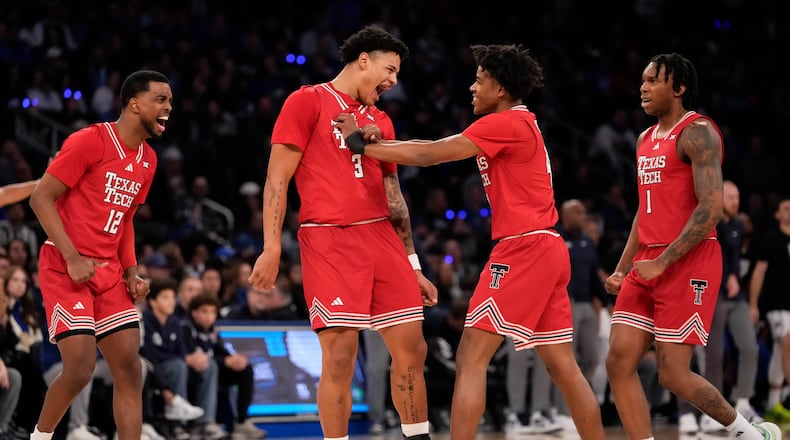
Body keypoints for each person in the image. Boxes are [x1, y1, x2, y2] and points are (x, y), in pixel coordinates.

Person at [333, 43, 605, 440]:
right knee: (563, 364)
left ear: (502, 88)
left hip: (524, 247)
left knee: (471, 356)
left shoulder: (506, 123)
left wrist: (364, 146)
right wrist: (379, 144)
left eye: (480, 81)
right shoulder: (522, 123)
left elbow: (431, 154)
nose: (472, 88)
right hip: (547, 246)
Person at [247, 25, 437, 440]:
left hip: (383, 238)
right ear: (363, 60)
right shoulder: (307, 101)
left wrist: (414, 265)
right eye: (390, 69)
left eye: (398, 74)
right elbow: (277, 180)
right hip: (329, 238)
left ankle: (417, 435)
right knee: (340, 357)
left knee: (413, 349)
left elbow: (396, 200)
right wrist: (271, 247)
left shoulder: (381, 119)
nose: (394, 81)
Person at [601, 52, 780, 439]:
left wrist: (663, 262)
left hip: (689, 260)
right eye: (643, 81)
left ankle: (749, 433)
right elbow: (643, 211)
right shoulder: (645, 139)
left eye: (653, 81)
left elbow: (712, 208)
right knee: (618, 362)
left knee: (673, 374)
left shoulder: (698, 132)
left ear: (679, 88)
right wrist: (622, 265)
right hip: (648, 260)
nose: (643, 87)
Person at [28, 70, 170, 440]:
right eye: (161, 100)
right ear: (134, 103)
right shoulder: (90, 141)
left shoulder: (148, 160)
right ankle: (40, 436)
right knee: (80, 369)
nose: (168, 108)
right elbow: (40, 198)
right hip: (65, 264)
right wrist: (73, 257)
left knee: (130, 368)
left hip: (109, 272)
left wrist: (131, 270)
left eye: (170, 101)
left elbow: (124, 220)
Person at [705, 180, 762, 422]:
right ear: (718, 197)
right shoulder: (709, 223)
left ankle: (743, 401)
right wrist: (728, 276)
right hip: (714, 296)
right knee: (715, 354)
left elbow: (737, 259)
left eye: (737, 196)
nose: (735, 201)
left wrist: (748, 296)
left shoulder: (738, 225)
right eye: (730, 196)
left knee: (750, 347)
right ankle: (711, 407)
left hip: (736, 297)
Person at [750, 197, 790, 421]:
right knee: (787, 344)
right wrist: (753, 304)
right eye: (786, 209)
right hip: (777, 305)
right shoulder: (771, 239)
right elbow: (758, 272)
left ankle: (774, 404)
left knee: (780, 351)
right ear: (777, 214)